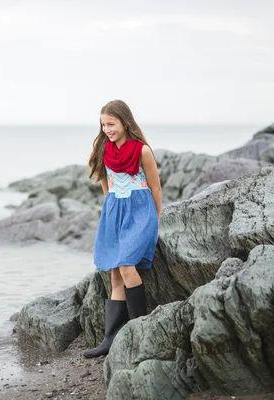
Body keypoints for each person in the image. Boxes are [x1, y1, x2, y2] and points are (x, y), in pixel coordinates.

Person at [83, 100, 162, 358]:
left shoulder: (143, 151)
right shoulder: (102, 148)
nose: (107, 129)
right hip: (114, 212)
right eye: (103, 124)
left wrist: (155, 221)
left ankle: (140, 332)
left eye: (111, 124)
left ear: (125, 122)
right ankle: (111, 339)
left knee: (127, 266)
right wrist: (111, 208)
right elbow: (106, 185)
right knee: (115, 274)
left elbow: (156, 189)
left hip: (141, 212)